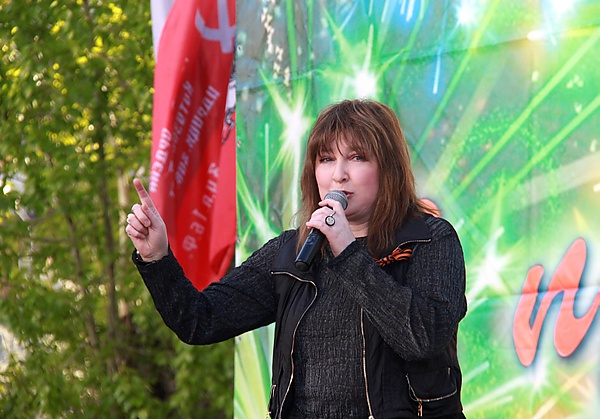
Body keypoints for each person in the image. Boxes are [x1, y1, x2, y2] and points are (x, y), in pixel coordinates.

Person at [126, 99, 467, 418]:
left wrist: (348, 252)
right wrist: (157, 258)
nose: (339, 174)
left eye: (357, 157)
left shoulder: (430, 239)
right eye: (326, 159)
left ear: (388, 168)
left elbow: (423, 337)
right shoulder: (290, 252)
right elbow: (200, 320)